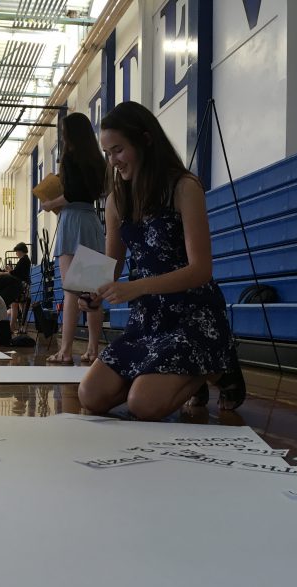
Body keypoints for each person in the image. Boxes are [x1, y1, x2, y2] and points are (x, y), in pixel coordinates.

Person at [77, 101, 244, 421]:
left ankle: (217, 367)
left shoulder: (184, 187)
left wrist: (137, 287)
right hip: (148, 319)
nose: (113, 162)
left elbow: (201, 270)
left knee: (145, 405)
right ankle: (181, 374)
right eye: (107, 153)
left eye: (118, 150)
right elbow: (113, 261)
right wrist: (92, 291)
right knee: (91, 395)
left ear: (145, 140)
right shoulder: (116, 199)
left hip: (193, 315)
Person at [40, 112, 106, 364]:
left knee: (70, 291)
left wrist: (48, 205)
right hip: (91, 221)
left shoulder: (68, 158)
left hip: (72, 221)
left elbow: (70, 195)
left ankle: (66, 350)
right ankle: (92, 349)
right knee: (91, 291)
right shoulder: (97, 159)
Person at [5, 242, 32, 334]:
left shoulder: (23, 260)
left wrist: (9, 270)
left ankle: (11, 328)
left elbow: (16, 273)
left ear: (21, 251)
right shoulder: (25, 260)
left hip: (21, 285)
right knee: (21, 307)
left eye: (17, 251)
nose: (16, 254)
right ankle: (21, 327)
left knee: (15, 306)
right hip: (24, 285)